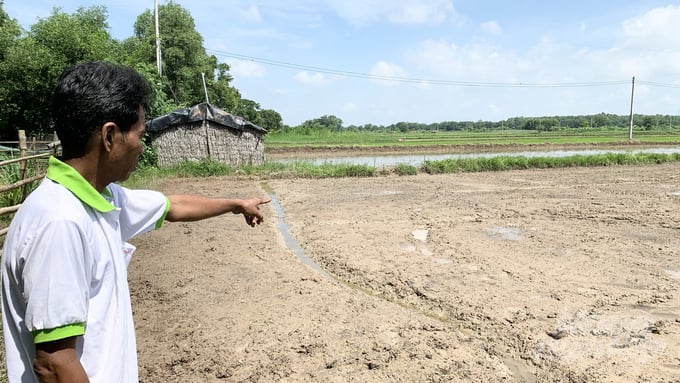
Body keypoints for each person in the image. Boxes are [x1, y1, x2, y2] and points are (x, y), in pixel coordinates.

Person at [1, 61, 271, 383]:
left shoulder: (104, 198)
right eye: (140, 135)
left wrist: (235, 205)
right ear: (110, 136)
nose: (142, 147)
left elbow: (172, 205)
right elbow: (54, 364)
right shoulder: (61, 223)